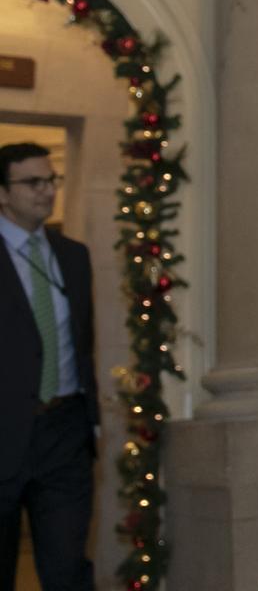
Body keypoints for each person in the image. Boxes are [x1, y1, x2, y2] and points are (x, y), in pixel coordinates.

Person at [0, 142, 99, 591]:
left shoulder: (74, 256)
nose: (46, 191)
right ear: (3, 193)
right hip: (5, 433)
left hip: (64, 435)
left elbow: (84, 341)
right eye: (32, 182)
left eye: (51, 180)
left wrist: (90, 422)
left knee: (67, 571)